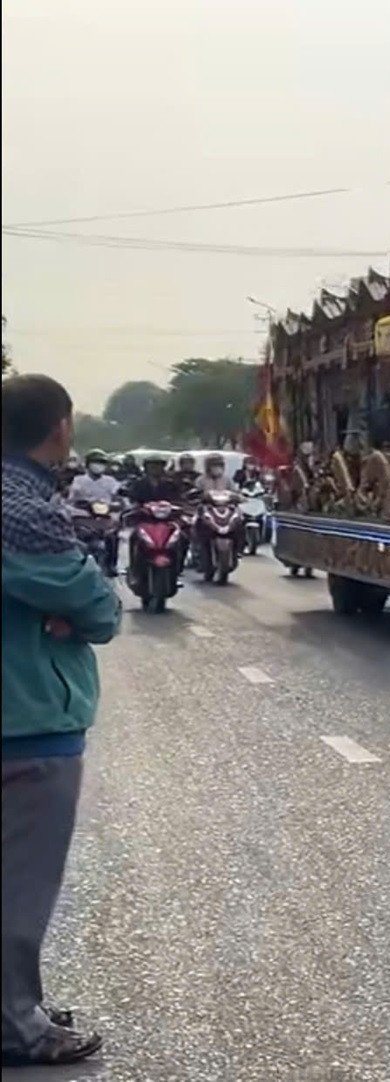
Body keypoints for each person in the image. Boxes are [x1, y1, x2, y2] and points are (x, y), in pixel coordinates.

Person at [2, 374, 120, 1068]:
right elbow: (100, 611)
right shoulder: (25, 509)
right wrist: (69, 614)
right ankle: (18, 1026)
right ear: (60, 428)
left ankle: (18, 1004)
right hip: (28, 722)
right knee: (20, 887)